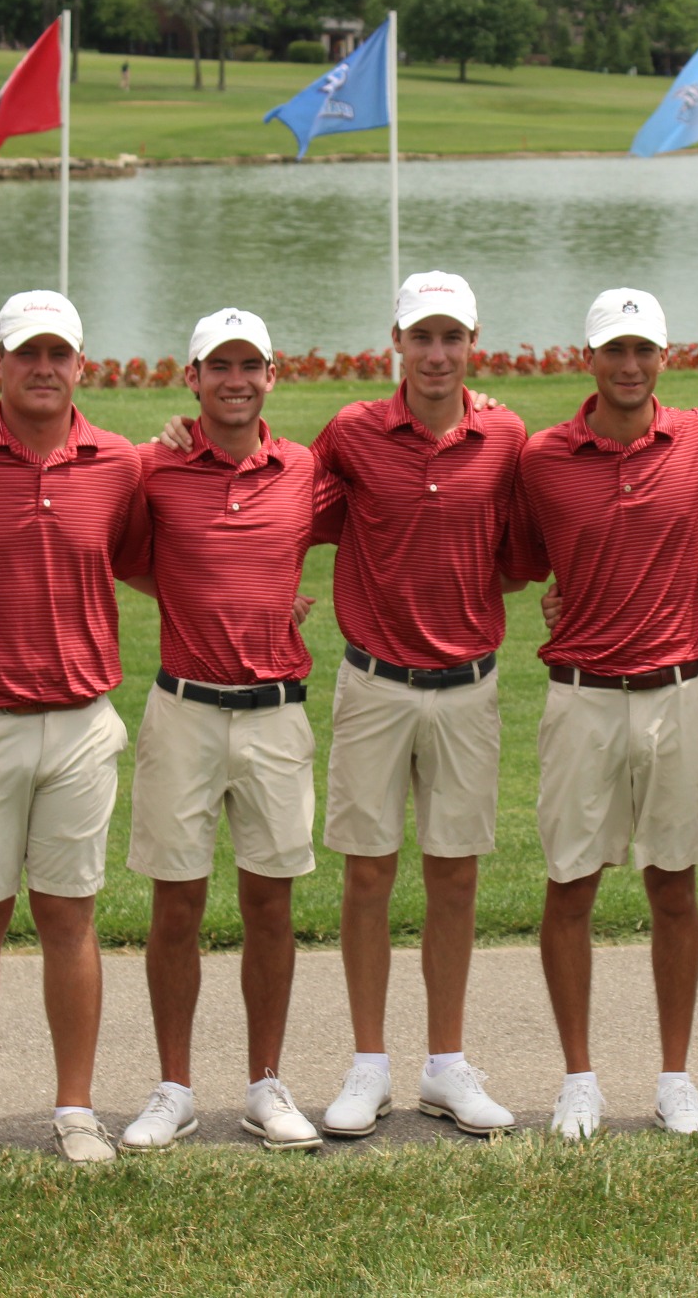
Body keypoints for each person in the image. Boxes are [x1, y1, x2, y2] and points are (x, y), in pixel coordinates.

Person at [0, 291, 148, 1165]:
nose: (43, 368)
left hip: (82, 722)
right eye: (26, 353)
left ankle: (75, 1108)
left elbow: (159, 557)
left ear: (81, 365)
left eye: (59, 353)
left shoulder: (120, 464)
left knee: (70, 918)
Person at [506, 288, 698, 1141]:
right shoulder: (541, 458)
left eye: (643, 350)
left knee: (673, 885)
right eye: (615, 350)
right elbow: (528, 559)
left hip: (679, 690)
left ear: (664, 357)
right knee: (570, 884)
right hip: (581, 696)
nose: (630, 366)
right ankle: (579, 1079)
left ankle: (674, 1078)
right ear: (590, 358)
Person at [303, 273, 525, 1139]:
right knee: (367, 871)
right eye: (420, 337)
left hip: (468, 686)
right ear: (395, 340)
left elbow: (522, 550)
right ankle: (368, 1065)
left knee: (456, 875)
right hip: (374, 683)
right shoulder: (353, 434)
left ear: (475, 341)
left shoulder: (505, 435)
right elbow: (287, 501)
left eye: (452, 338)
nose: (437, 354)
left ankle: (445, 1064)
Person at [118, 308, 329, 1154]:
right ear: (193, 379)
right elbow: (125, 552)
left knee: (269, 902)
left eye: (252, 365)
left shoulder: (306, 466)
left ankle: (266, 1084)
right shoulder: (153, 466)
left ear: (272, 375)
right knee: (177, 901)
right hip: (185, 711)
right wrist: (194, 593)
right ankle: (173, 1087)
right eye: (220, 366)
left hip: (276, 714)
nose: (236, 380)